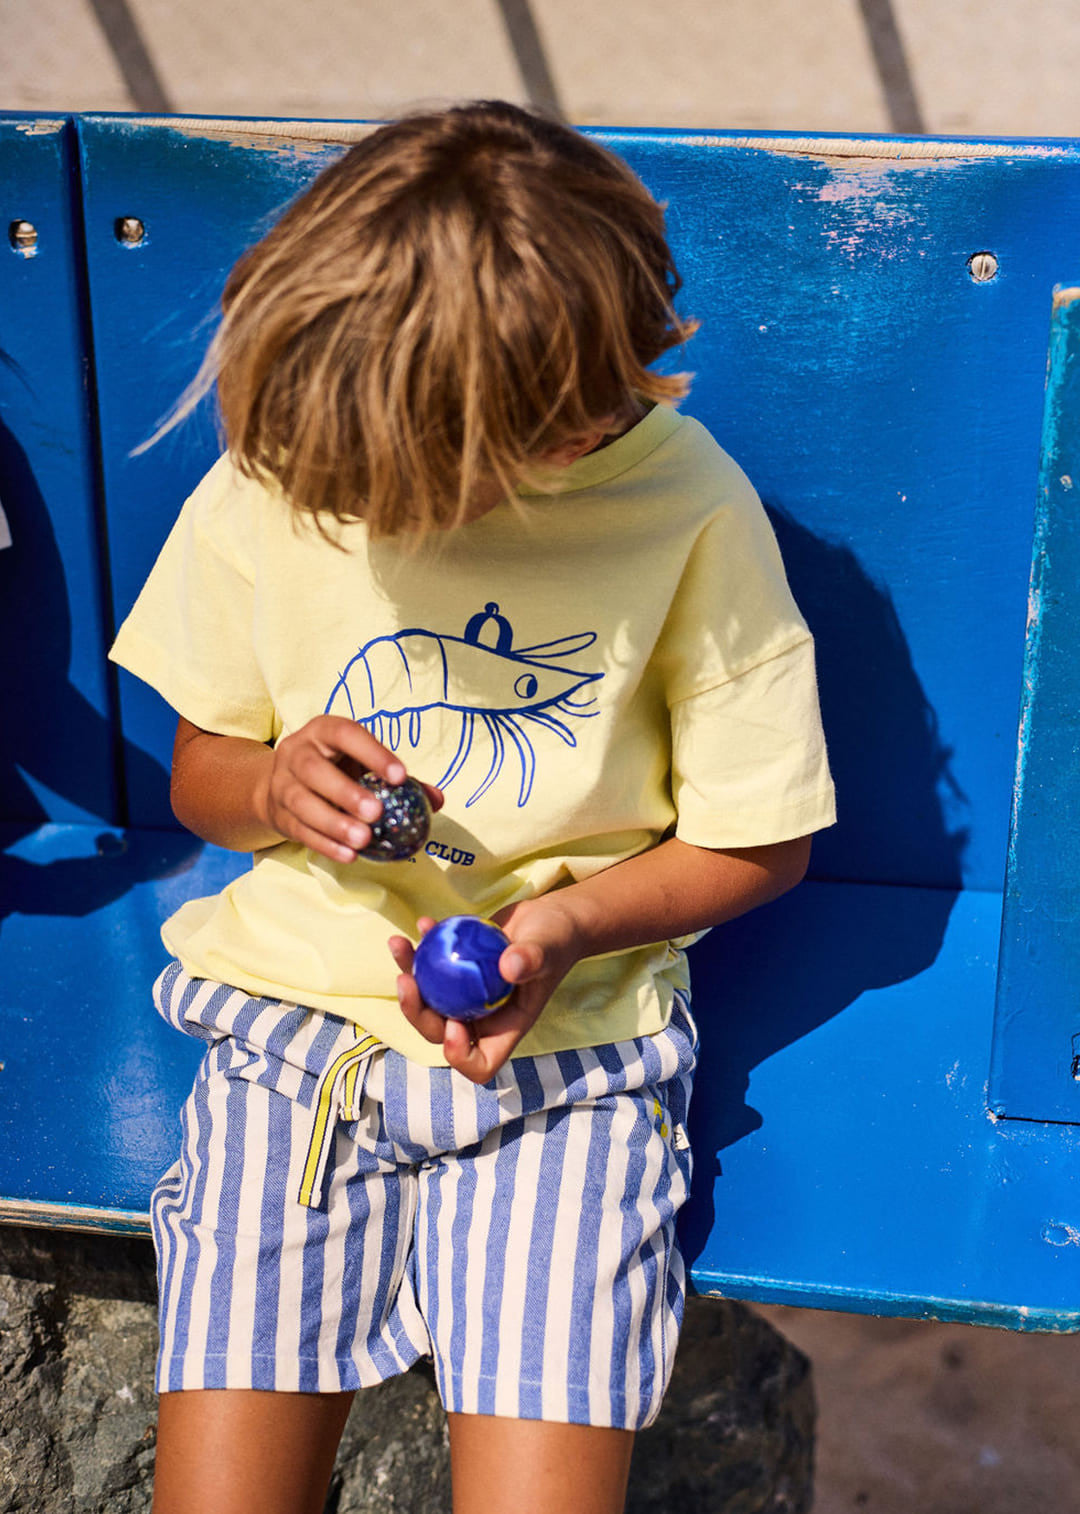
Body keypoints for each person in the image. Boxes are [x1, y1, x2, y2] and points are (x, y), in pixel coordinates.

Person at [110, 100, 835, 1514]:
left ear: (558, 412)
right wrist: (272, 784)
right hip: (293, 1053)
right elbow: (203, 773)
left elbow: (761, 836)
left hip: (568, 1069)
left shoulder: (688, 506)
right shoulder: (298, 457)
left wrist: (565, 925)